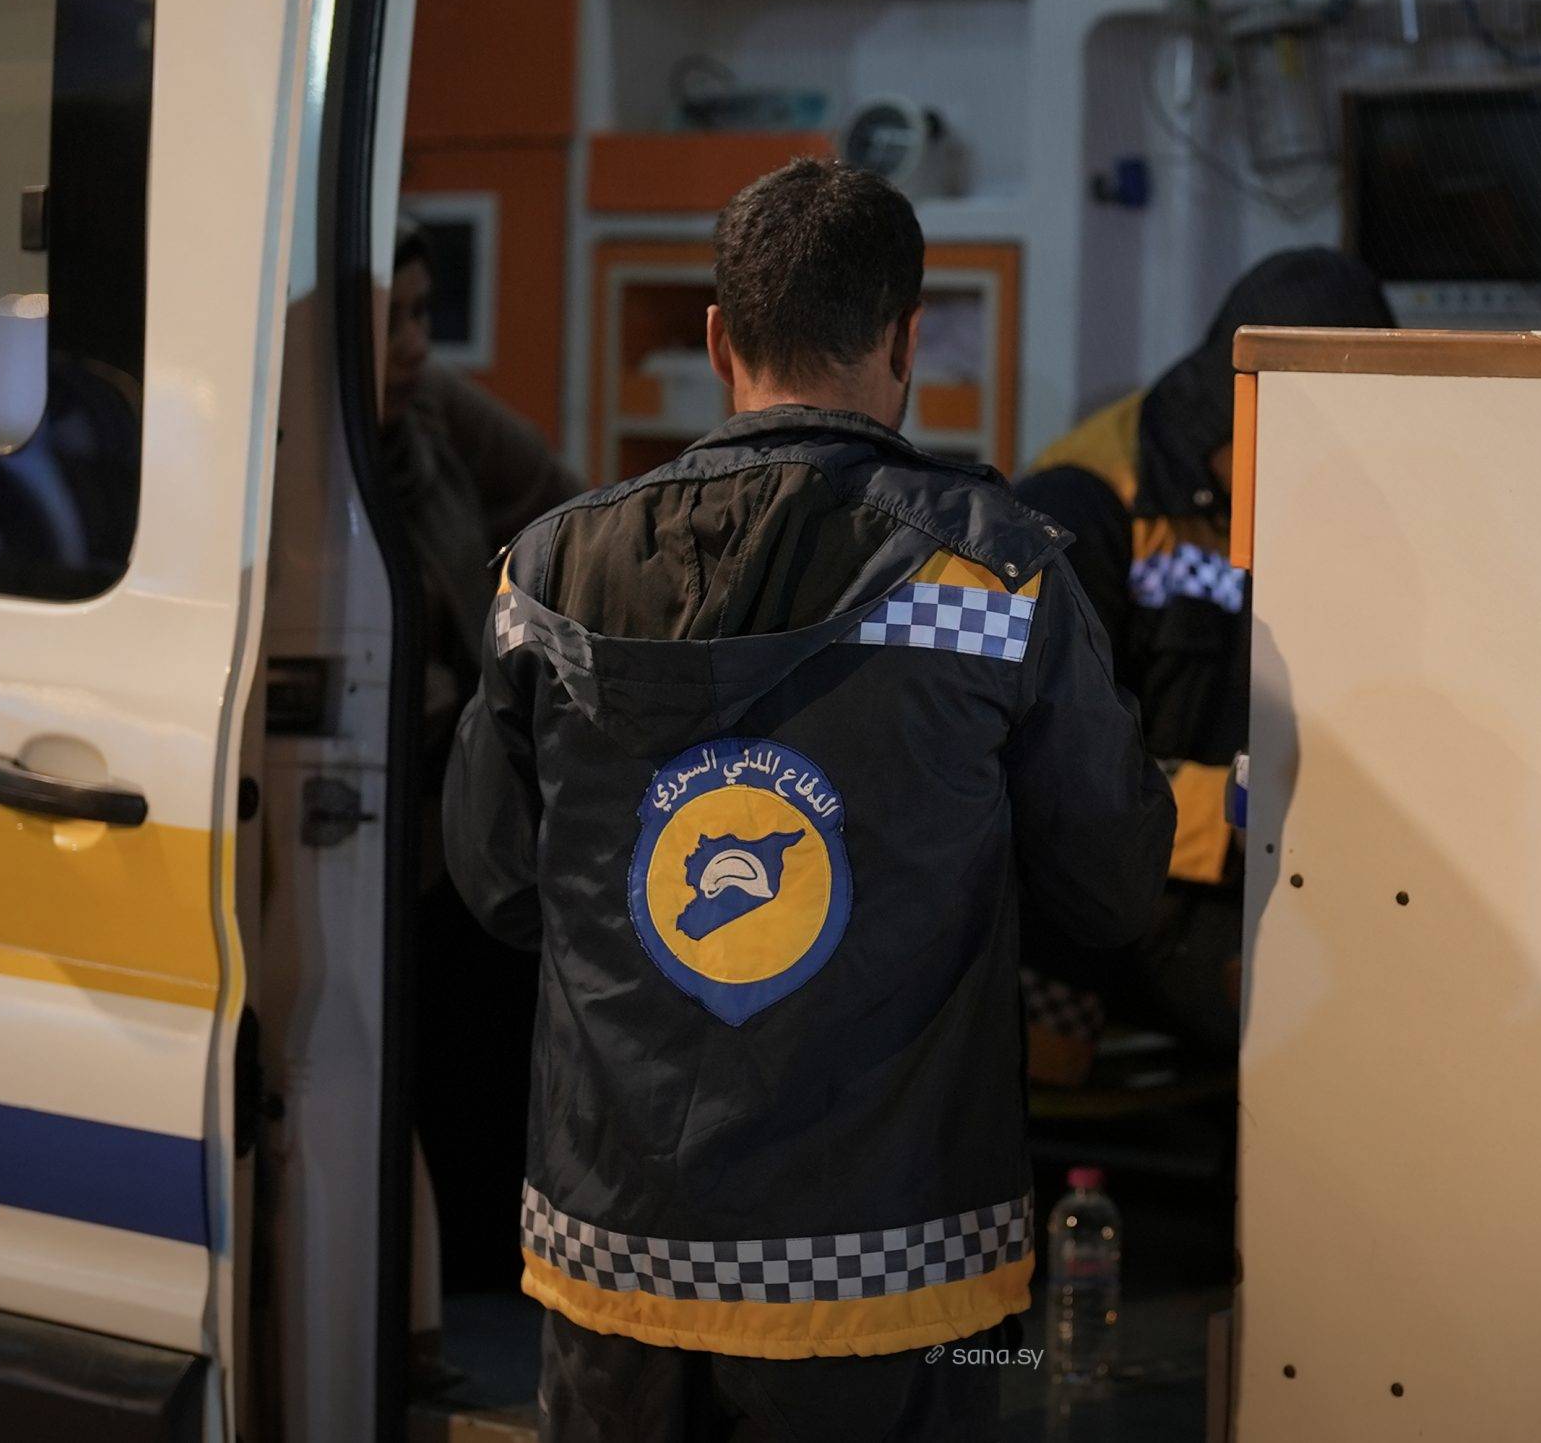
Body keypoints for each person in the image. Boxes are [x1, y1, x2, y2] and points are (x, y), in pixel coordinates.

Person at [442, 159, 1172, 1441]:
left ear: (718, 340)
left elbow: (499, 884)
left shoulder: (545, 576)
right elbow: (1111, 887)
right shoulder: (996, 581)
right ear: (905, 340)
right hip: (897, 1267)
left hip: (618, 1253)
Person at [1015, 248, 1393, 1082]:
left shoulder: (1298, 494)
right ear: (1251, 402)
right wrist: (1255, 815)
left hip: (1261, 864)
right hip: (1112, 895)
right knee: (1323, 1023)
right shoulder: (1086, 503)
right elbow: (1054, 780)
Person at [383, 220, 583, 1303]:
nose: (415, 342)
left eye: (422, 312)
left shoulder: (427, 416)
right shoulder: (295, 450)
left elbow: (567, 507)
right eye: (391, 320)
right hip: (377, 813)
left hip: (460, 790)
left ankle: (480, 1283)